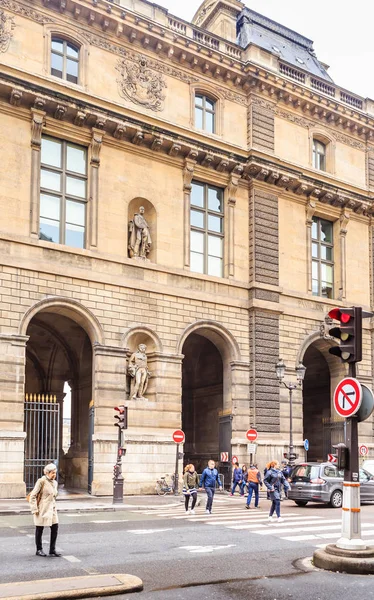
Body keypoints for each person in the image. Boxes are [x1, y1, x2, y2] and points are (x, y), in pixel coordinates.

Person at [29, 463, 61, 557]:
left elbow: (54, 495)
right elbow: (33, 496)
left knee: (55, 527)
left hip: (52, 509)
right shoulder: (41, 481)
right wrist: (34, 509)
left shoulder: (55, 483)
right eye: (52, 473)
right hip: (42, 509)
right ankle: (39, 549)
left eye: (55, 473)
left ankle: (52, 550)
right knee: (39, 528)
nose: (54, 475)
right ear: (47, 473)